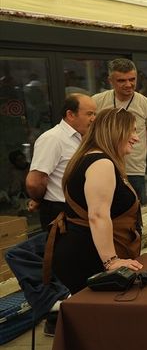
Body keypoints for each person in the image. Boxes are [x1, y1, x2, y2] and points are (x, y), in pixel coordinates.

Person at [7, 94, 96, 334]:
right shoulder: (53, 139)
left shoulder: (83, 138)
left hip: (77, 210)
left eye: (94, 113)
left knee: (70, 265)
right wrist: (38, 198)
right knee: (58, 263)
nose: (93, 118)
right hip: (58, 212)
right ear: (70, 114)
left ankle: (58, 320)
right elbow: (35, 180)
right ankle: (54, 308)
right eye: (89, 113)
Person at [48, 108, 144, 295]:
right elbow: (98, 215)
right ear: (115, 131)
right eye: (132, 131)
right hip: (88, 256)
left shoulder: (88, 158)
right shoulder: (101, 163)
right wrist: (111, 261)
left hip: (82, 252)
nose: (136, 138)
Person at [92, 58, 147, 202]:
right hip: (101, 166)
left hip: (133, 170)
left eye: (132, 79)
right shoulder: (96, 101)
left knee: (134, 212)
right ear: (110, 81)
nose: (128, 84)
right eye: (121, 80)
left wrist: (134, 153)